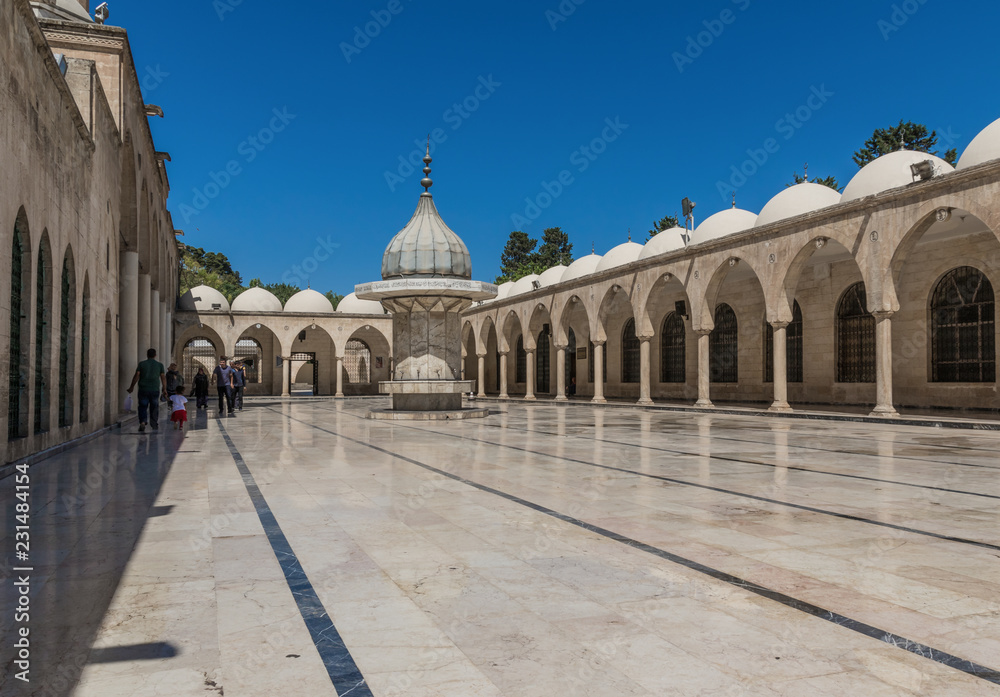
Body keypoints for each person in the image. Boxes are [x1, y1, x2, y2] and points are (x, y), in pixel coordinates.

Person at [126, 348, 167, 432]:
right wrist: (164, 388)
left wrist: (131, 387)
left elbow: (136, 375)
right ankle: (154, 424)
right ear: (155, 355)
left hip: (143, 389)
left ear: (147, 355)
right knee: (154, 407)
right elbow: (163, 377)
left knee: (142, 406)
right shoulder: (159, 365)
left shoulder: (142, 364)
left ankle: (143, 422)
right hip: (154, 389)